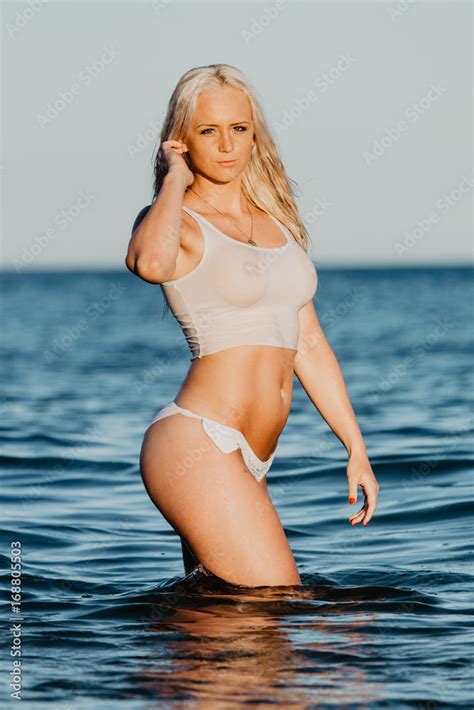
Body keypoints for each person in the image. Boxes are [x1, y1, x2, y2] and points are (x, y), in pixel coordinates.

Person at [125, 64, 379, 588]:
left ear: (254, 134)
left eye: (238, 129)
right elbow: (149, 264)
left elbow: (307, 343)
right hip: (197, 442)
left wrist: (354, 446)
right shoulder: (176, 221)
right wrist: (174, 177)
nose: (226, 146)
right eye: (207, 131)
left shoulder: (277, 224)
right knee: (276, 601)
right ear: (181, 140)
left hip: (251, 457)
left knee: (223, 634)